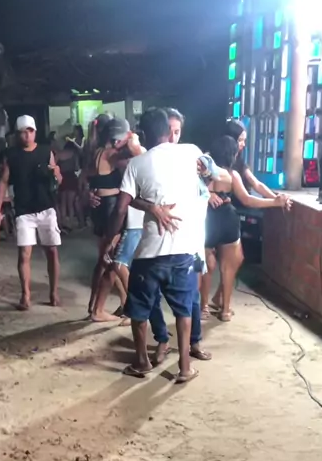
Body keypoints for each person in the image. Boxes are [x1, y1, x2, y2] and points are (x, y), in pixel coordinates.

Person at [106, 109, 231, 382]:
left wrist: (110, 238)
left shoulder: (136, 164)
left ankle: (142, 362)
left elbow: (121, 207)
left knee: (139, 310)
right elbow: (224, 178)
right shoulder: (191, 152)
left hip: (149, 253)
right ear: (167, 130)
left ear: (144, 134)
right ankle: (185, 367)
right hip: (184, 251)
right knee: (184, 310)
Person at [144, 108, 213, 364]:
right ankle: (162, 338)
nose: (173, 137)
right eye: (169, 131)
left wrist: (207, 173)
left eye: (177, 132)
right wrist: (152, 207)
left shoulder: (190, 155)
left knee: (191, 295)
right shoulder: (148, 159)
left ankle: (193, 342)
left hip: (189, 237)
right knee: (151, 295)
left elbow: (214, 175)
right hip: (157, 238)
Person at [201, 135, 291, 321]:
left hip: (205, 219)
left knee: (207, 265)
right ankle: (225, 310)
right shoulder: (232, 175)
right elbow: (247, 200)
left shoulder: (202, 173)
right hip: (227, 219)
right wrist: (275, 202)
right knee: (229, 267)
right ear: (232, 155)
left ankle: (203, 308)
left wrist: (208, 194)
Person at [0, 115, 62, 310]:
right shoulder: (11, 155)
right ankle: (25, 295)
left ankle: (54, 292)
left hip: (46, 208)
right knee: (24, 254)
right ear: (17, 134)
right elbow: (3, 182)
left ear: (35, 132)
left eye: (30, 131)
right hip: (24, 210)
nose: (27, 135)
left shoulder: (45, 151)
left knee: (52, 251)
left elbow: (58, 178)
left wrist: (56, 173)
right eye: (23, 132)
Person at [86, 117, 142, 319]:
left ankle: (95, 306)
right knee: (112, 260)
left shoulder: (97, 152)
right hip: (111, 209)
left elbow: (86, 178)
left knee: (104, 260)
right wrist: (133, 139)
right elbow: (142, 156)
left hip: (100, 209)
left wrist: (89, 192)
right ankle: (121, 308)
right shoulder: (113, 154)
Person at [56, 141, 84, 229]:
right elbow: (77, 167)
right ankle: (71, 222)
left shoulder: (59, 154)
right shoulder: (74, 154)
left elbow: (54, 165)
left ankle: (64, 222)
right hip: (71, 177)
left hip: (62, 178)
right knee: (70, 203)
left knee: (63, 202)